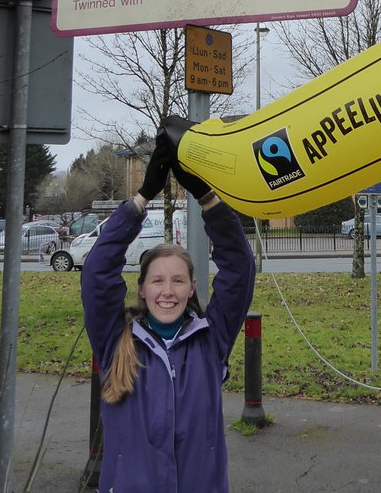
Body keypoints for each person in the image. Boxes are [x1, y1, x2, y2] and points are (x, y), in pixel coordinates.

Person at [81, 119, 255, 493]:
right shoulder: (116, 340)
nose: (167, 292)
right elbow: (96, 273)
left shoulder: (212, 339)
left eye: (178, 281)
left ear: (192, 288)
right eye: (157, 281)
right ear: (142, 289)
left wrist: (206, 197)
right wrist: (141, 198)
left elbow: (239, 268)